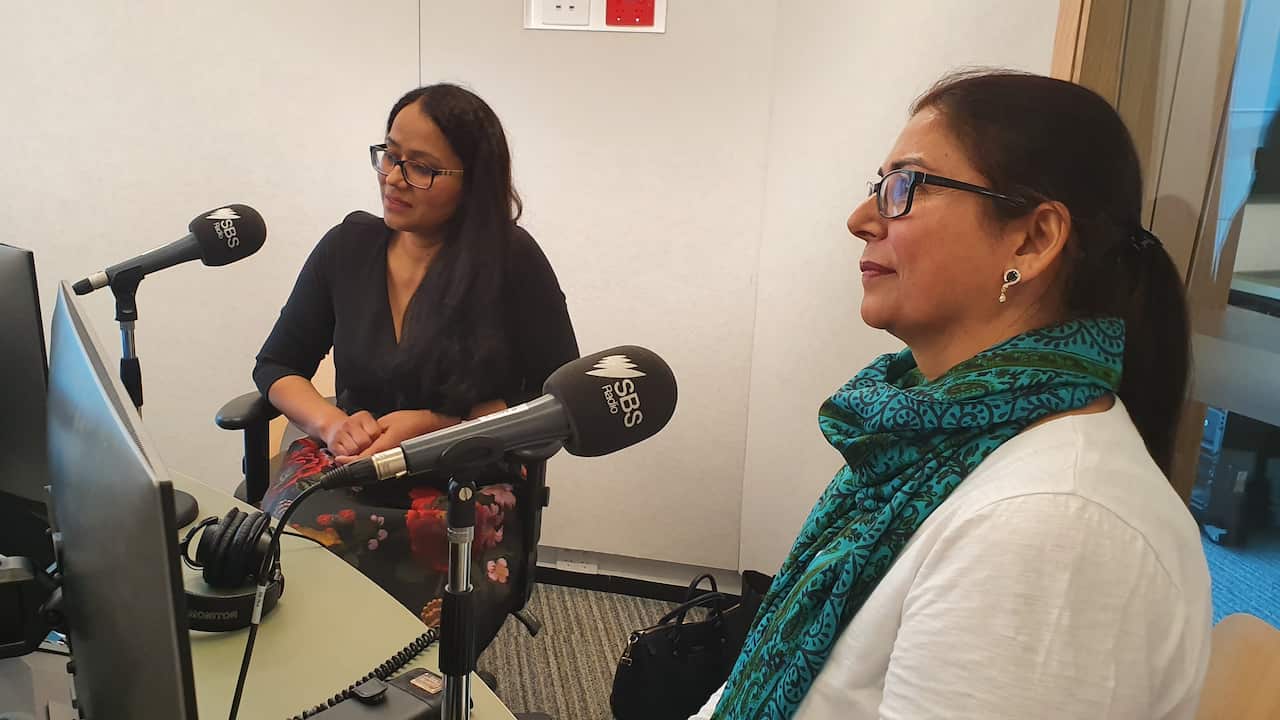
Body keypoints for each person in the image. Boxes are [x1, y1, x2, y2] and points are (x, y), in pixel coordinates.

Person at [697, 70, 1211, 719]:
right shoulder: (932, 438)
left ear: (1032, 239)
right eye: (878, 187)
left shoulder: (1051, 524)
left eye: (905, 187)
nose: (861, 219)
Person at [252, 83, 579, 647]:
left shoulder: (512, 261)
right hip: (348, 465)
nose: (394, 178)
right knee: (277, 567)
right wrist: (331, 423)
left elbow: (560, 405)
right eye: (390, 155)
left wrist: (437, 426)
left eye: (421, 168)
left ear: (473, 181)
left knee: (398, 633)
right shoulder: (346, 247)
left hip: (463, 481)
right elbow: (277, 364)